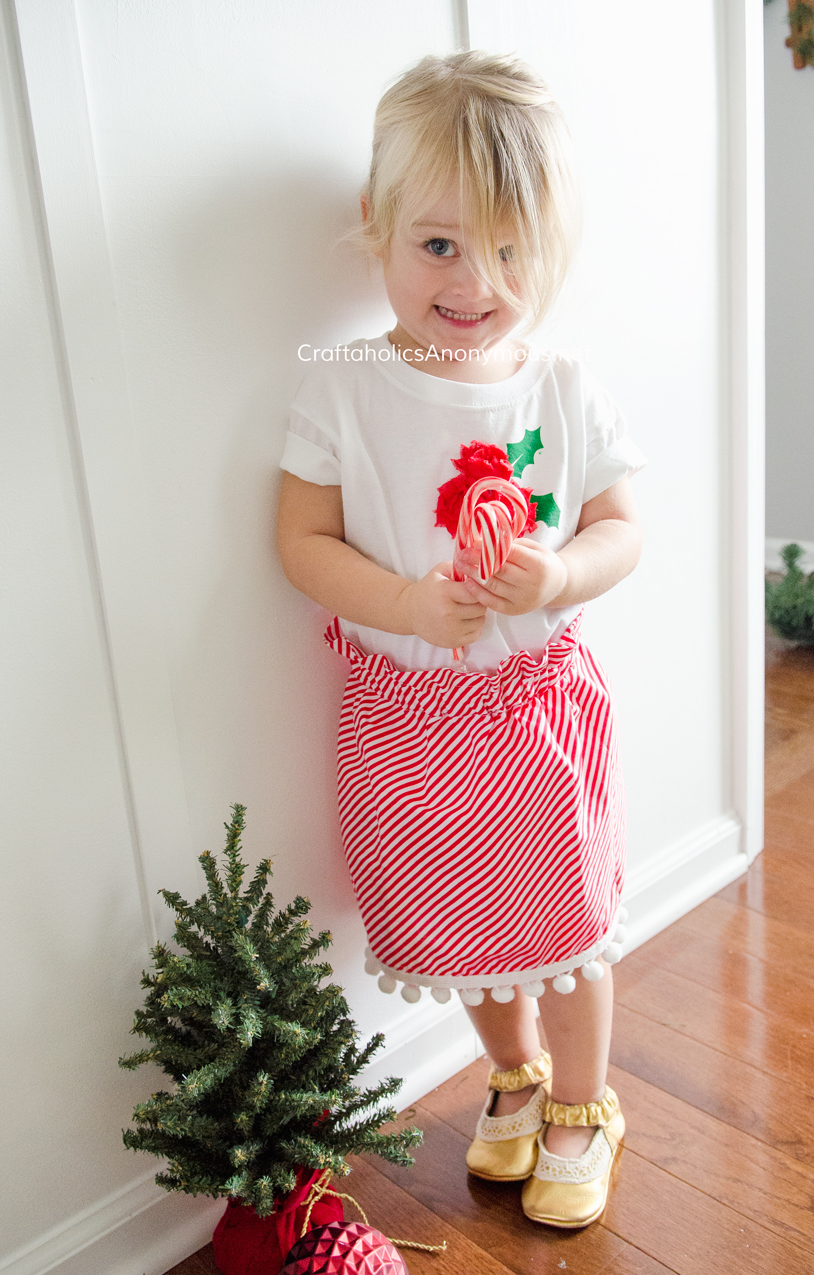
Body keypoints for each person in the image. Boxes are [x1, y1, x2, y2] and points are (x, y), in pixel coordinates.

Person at [277, 50, 646, 1229]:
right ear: (375, 226)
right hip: (409, 715)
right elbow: (302, 542)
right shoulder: (341, 386)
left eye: (508, 248)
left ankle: (584, 1105)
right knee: (469, 921)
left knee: (566, 928)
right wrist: (407, 606)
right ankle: (516, 1078)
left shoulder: (564, 383)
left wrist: (558, 572)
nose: (475, 280)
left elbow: (621, 528)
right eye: (438, 244)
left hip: (532, 706)